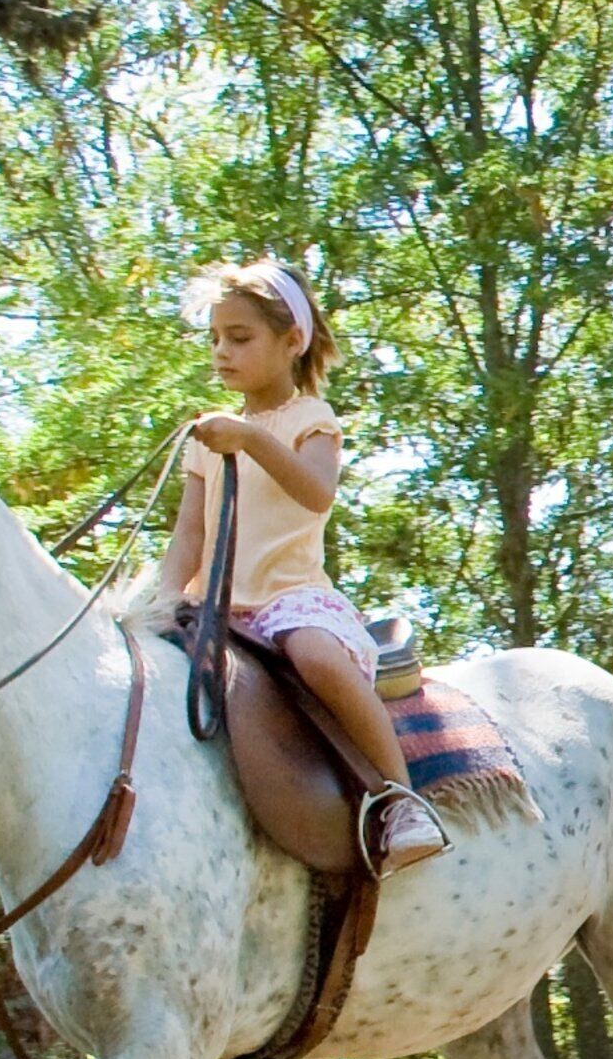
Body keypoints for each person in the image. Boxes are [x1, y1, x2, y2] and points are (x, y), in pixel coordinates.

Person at [158, 259, 447, 874]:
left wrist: (250, 439)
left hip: (290, 597)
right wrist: (162, 599)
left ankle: (400, 798)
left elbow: (316, 495)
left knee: (315, 654)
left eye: (240, 338)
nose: (221, 352)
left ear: (292, 341)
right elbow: (188, 536)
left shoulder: (311, 419)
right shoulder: (206, 441)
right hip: (217, 604)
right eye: (215, 338)